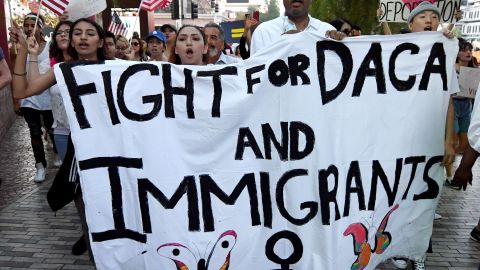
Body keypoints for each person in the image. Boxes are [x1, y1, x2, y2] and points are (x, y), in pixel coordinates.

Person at [10, 17, 107, 261]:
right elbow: (22, 91)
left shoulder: (116, 69)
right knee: (87, 209)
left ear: (101, 41)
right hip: (81, 153)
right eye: (78, 33)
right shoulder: (62, 70)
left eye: (90, 33)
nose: (83, 37)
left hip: (114, 152)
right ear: (71, 41)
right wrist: (23, 51)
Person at [390, 2, 456, 270]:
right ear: (410, 25)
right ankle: (395, 245)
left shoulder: (444, 53)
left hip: (429, 140)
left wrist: (448, 139)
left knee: (426, 198)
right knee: (398, 194)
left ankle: (418, 250)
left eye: (434, 17)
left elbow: (448, 100)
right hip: (399, 139)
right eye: (422, 17)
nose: (429, 20)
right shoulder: (394, 53)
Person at [15, 13, 58, 183]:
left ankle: (57, 152)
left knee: (52, 129)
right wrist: (15, 100)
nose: (28, 28)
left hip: (48, 96)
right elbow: (17, 73)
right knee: (34, 132)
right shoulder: (22, 47)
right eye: (26, 25)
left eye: (33, 25)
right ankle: (40, 166)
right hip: (29, 97)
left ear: (40, 27)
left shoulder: (51, 48)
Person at [250, 0, 345, 55]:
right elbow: (256, 77)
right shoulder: (264, 32)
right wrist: (282, 45)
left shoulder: (327, 31)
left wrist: (344, 44)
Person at [445, 39, 477, 189]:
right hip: (453, 104)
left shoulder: (475, 70)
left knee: (465, 142)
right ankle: (450, 175)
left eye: (470, 50)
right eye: (464, 50)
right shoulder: (451, 68)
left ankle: (457, 165)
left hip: (468, 106)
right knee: (453, 140)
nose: (468, 52)